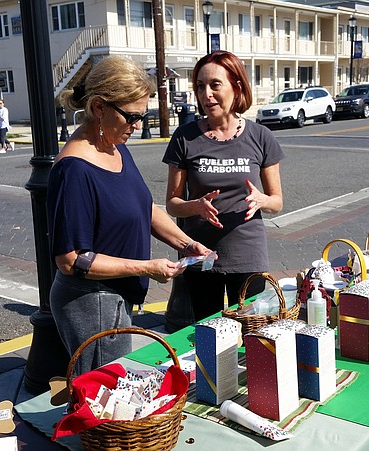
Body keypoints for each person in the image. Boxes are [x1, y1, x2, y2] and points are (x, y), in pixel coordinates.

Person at [47, 56, 214, 376]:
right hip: (93, 304)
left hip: (115, 298)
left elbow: (144, 207)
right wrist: (146, 268)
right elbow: (71, 260)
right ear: (99, 108)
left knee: (103, 395)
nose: (138, 125)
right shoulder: (74, 169)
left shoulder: (114, 146)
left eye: (143, 115)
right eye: (132, 116)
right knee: (102, 400)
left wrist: (187, 243)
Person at [162, 50, 285, 321]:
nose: (206, 94)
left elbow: (277, 201)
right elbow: (172, 203)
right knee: (211, 336)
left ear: (236, 86)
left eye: (215, 85)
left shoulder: (261, 136)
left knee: (251, 334)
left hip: (248, 256)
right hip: (202, 255)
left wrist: (262, 200)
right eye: (200, 86)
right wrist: (194, 206)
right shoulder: (185, 137)